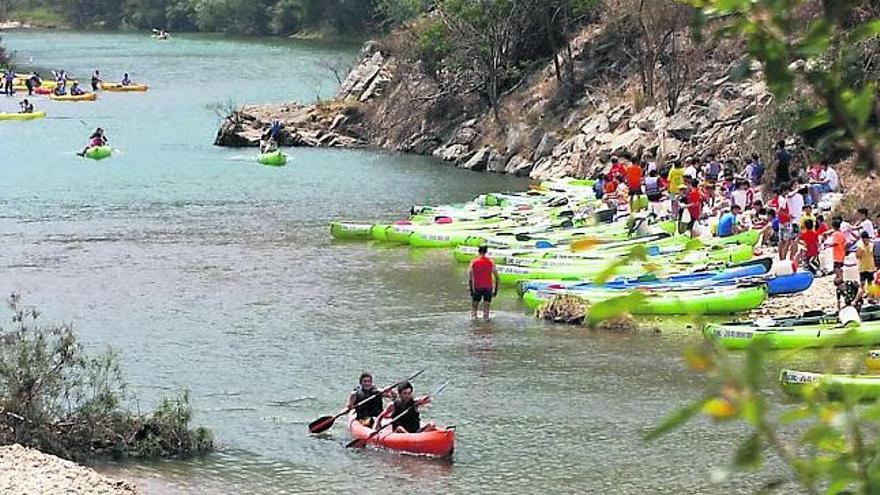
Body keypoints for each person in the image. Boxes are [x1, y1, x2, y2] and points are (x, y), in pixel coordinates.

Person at [468, 245, 500, 320]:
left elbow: (470, 278)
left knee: (474, 313)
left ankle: (475, 328)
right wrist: (495, 290)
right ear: (486, 252)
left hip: (477, 287)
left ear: (478, 251)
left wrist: (471, 290)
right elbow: (497, 278)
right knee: (486, 314)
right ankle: (487, 328)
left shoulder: (473, 262)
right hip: (488, 288)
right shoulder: (491, 262)